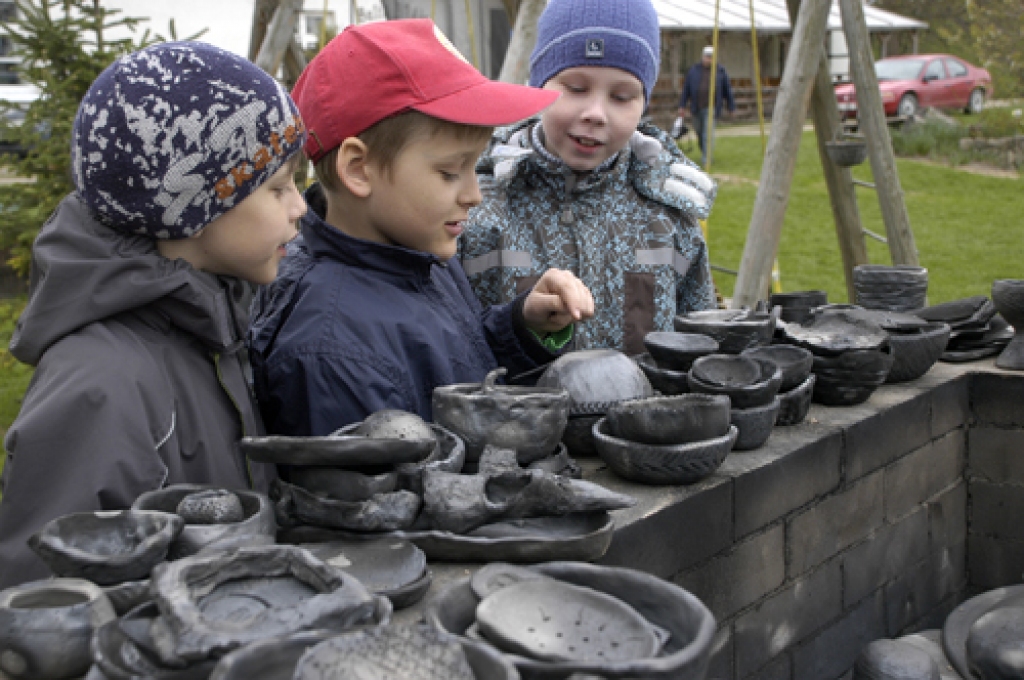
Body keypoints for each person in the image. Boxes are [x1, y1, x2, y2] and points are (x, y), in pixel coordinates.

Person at [0, 42, 308, 588]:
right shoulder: (100, 389)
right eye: (278, 187)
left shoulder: (210, 318)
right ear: (191, 208)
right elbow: (49, 608)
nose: (300, 206)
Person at [247, 19, 594, 437]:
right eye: (450, 171)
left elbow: (450, 359)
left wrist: (522, 326)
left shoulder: (417, 252)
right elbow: (370, 498)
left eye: (475, 167)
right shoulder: (331, 354)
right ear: (359, 169)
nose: (474, 194)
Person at [460, 0, 718, 356]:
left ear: (643, 103)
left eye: (621, 96)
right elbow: (446, 343)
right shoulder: (474, 203)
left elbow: (703, 349)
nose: (595, 113)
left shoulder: (669, 214)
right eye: (576, 89)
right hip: (513, 412)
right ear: (538, 85)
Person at [679, 45, 737, 168]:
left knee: (707, 134)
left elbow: (727, 90)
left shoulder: (720, 71)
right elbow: (686, 89)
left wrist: (731, 107)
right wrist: (682, 105)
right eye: (707, 57)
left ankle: (707, 159)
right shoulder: (694, 70)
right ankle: (705, 151)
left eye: (711, 57)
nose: (709, 59)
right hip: (696, 107)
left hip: (712, 107)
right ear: (703, 57)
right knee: (699, 133)